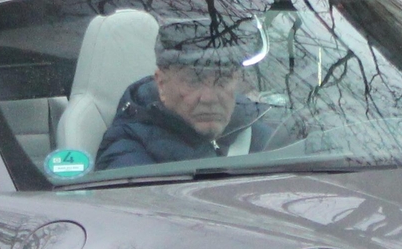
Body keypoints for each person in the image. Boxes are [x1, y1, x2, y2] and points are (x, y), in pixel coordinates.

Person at [93, 15, 279, 169]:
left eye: (221, 80)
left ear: (237, 81)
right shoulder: (127, 152)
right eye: (193, 81)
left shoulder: (263, 133)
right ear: (162, 84)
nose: (209, 98)